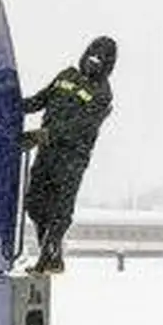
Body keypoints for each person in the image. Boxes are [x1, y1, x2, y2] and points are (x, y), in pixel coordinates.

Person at [21, 36, 116, 274]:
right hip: (47, 152)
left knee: (59, 208)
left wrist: (42, 135)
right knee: (33, 203)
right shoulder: (66, 75)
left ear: (108, 64)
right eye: (91, 55)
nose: (92, 62)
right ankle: (53, 255)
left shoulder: (103, 94)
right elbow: (39, 100)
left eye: (99, 59)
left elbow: (79, 126)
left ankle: (49, 255)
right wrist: (7, 102)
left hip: (72, 157)